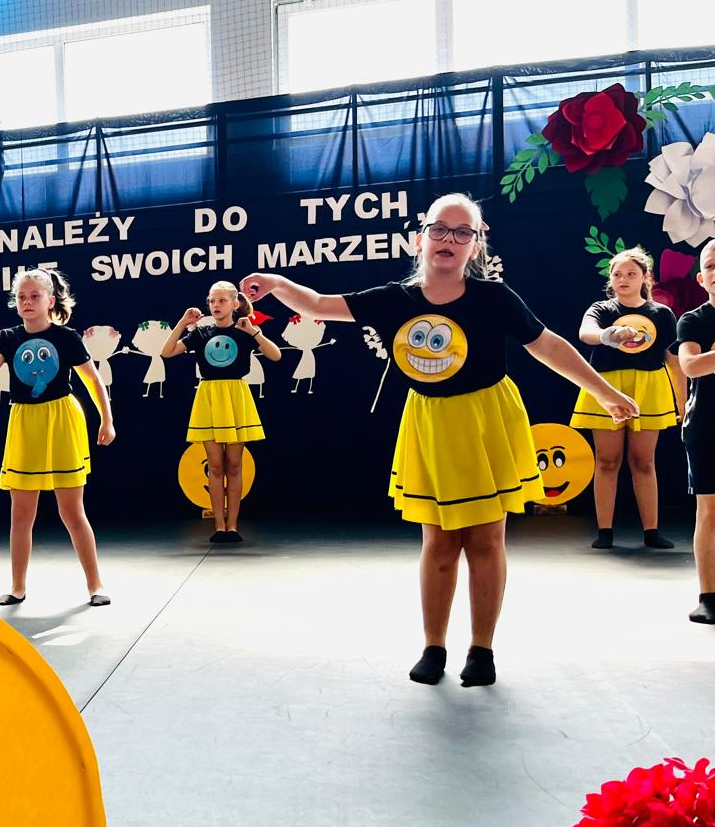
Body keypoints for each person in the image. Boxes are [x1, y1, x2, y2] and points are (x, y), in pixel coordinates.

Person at [241, 193, 637, 687]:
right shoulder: (394, 300)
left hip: (486, 419)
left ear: (475, 245)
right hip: (430, 423)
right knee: (439, 542)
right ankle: (434, 646)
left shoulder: (494, 297)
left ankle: (482, 649)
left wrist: (603, 392)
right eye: (439, 229)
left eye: (462, 232)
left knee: (487, 539)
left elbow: (548, 346)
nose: (449, 239)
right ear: (420, 238)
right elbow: (319, 305)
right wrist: (277, 283)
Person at [0, 267, 114, 607]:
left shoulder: (66, 337)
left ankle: (95, 585)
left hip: (61, 420)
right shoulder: (8, 338)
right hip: (25, 422)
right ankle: (17, 586)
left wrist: (107, 420)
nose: (27, 302)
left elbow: (94, 381)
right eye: (21, 297)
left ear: (50, 301)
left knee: (73, 512)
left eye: (34, 296)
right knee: (21, 514)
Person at [570, 247, 684, 549]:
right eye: (617, 274)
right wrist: (608, 335)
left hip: (649, 388)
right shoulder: (602, 309)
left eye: (631, 273)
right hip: (607, 387)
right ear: (611, 279)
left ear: (645, 277)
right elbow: (586, 332)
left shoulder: (661, 314)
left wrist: (682, 401)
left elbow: (673, 360)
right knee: (607, 461)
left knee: (643, 461)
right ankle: (605, 531)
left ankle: (651, 531)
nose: (623, 279)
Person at [162, 281, 282, 543]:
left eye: (221, 301)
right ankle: (219, 526)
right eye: (212, 301)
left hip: (235, 396)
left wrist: (254, 332)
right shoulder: (201, 333)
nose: (215, 305)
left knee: (234, 464)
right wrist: (182, 323)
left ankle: (233, 526)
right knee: (215, 465)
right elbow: (166, 352)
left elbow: (275, 356)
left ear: (234, 303)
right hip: (209, 397)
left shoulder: (244, 331)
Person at [677, 239, 715, 624]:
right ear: (701, 279)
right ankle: (709, 595)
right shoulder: (693, 321)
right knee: (709, 511)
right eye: (711, 266)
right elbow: (690, 365)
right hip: (706, 427)